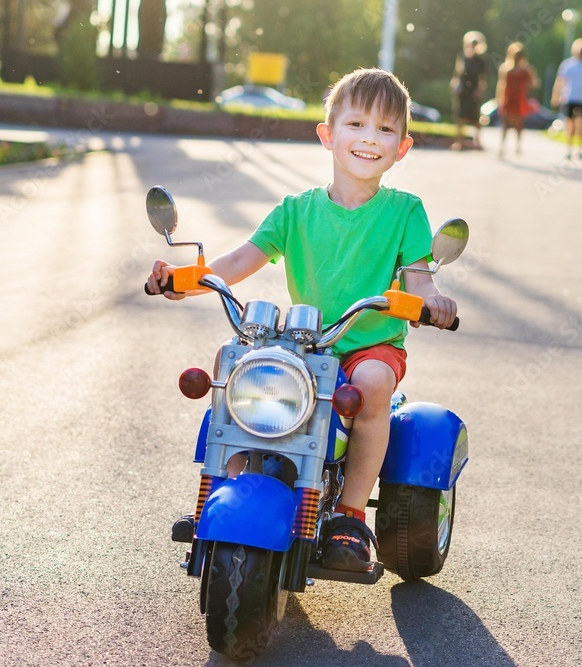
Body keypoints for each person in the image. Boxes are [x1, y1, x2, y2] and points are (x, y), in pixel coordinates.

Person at [147, 68, 458, 572]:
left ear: (403, 147)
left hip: (366, 345)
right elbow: (239, 261)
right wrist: (185, 280)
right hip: (305, 343)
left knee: (375, 383)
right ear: (328, 135)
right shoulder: (295, 211)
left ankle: (349, 516)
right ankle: (224, 489)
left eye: (385, 130)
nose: (368, 139)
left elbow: (418, 279)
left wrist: (433, 300)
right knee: (236, 363)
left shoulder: (405, 212)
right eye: (356, 124)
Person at [552, 38, 582, 160]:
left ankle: (580, 148)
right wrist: (556, 96)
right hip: (569, 97)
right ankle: (569, 148)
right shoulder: (568, 64)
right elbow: (560, 81)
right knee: (570, 123)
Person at [495, 42, 539, 158]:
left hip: (519, 98)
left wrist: (526, 85)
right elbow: (501, 84)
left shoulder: (526, 70)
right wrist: (499, 98)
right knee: (505, 123)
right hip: (508, 98)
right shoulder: (506, 69)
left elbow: (534, 83)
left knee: (518, 123)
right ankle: (502, 146)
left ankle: (518, 145)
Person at [450, 31, 488, 151]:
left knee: (475, 118)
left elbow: (483, 78)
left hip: (474, 91)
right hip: (463, 90)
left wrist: (480, 90)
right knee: (460, 117)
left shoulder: (480, 60)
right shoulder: (462, 57)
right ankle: (459, 142)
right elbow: (457, 73)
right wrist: (455, 84)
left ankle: (477, 142)